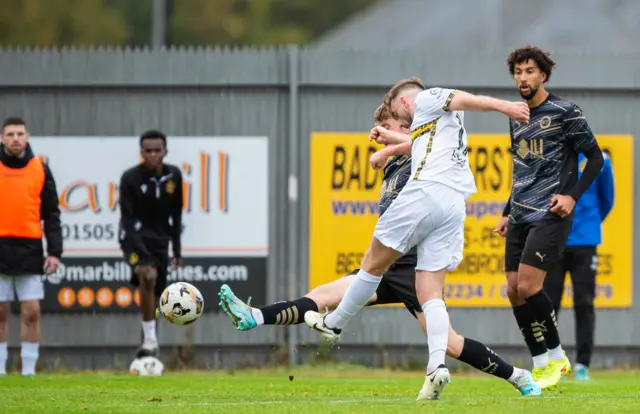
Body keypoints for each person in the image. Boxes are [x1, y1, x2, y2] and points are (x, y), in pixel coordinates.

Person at [218, 102, 541, 396]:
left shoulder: (426, 160)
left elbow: (422, 142)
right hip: (388, 268)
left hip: (415, 268)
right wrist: (386, 153)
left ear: (408, 129)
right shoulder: (392, 166)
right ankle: (253, 317)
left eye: (388, 130)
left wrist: (389, 147)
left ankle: (518, 377)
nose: (381, 139)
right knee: (324, 295)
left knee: (451, 344)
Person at [303, 78, 530, 400]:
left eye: (398, 112)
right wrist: (392, 146)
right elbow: (421, 142)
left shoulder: (426, 99)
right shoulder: (443, 123)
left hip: (426, 192)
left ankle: (336, 322)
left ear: (405, 104)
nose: (401, 117)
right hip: (453, 205)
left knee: (373, 263)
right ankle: (436, 366)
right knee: (429, 290)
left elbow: (465, 97)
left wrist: (505, 106)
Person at [494, 45, 605, 390]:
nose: (523, 78)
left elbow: (596, 159)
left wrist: (571, 197)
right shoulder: (517, 116)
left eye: (530, 71)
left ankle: (557, 355)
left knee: (529, 285)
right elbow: (522, 171)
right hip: (521, 212)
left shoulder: (565, 112)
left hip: (551, 213)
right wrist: (507, 211)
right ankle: (541, 361)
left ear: (543, 75)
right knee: (513, 291)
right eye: (518, 72)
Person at [543, 150, 614, 381]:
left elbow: (607, 200)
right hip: (556, 238)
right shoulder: (554, 153)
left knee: (584, 303)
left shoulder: (600, 160)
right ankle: (552, 361)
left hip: (585, 241)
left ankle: (583, 364)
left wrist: (588, 224)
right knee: (549, 302)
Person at [0, 117, 63, 376]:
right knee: (0, 312)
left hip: (30, 248)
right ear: (2, 139)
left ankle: (28, 371)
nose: (15, 138)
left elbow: (52, 214)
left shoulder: (40, 169)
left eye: (20, 133)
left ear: (27, 137)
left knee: (32, 311)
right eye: (10, 134)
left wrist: (55, 252)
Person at [118, 130, 183, 358]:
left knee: (155, 293)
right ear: (141, 153)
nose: (153, 155)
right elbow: (127, 219)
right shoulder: (130, 179)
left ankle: (148, 350)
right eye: (148, 151)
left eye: (157, 150)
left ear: (165, 152)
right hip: (133, 239)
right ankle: (151, 340)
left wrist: (176, 250)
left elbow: (176, 215)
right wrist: (140, 252)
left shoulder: (173, 176)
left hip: (160, 240)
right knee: (147, 274)